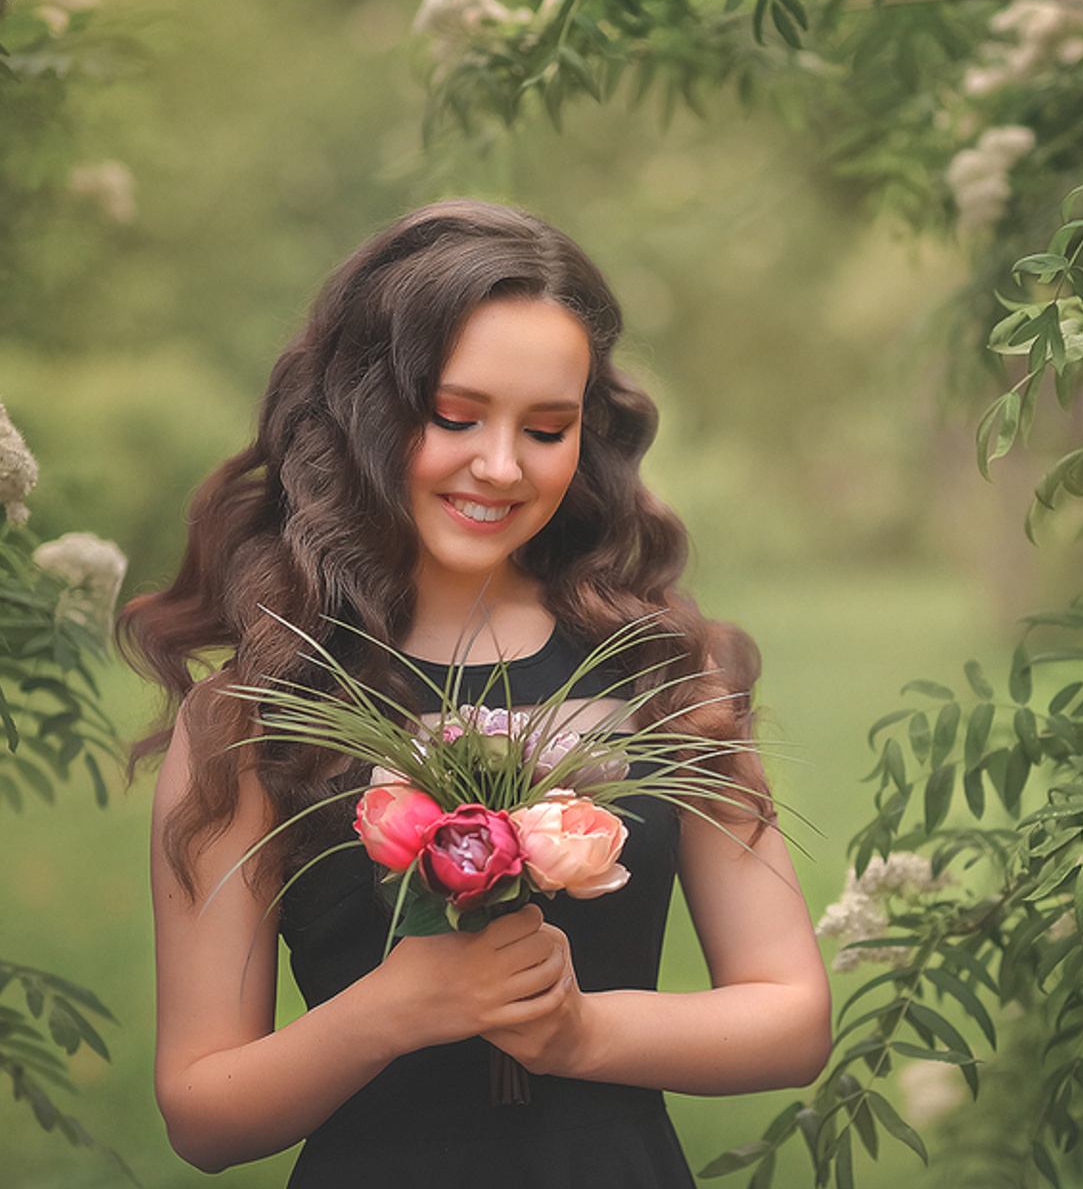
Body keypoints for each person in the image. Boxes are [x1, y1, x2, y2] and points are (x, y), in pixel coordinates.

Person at [119, 199, 831, 1186]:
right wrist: (392, 1009)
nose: (499, 467)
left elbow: (790, 1016)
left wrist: (582, 1032)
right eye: (455, 417)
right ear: (365, 408)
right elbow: (203, 1111)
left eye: (545, 428)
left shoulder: (660, 670)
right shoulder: (260, 710)